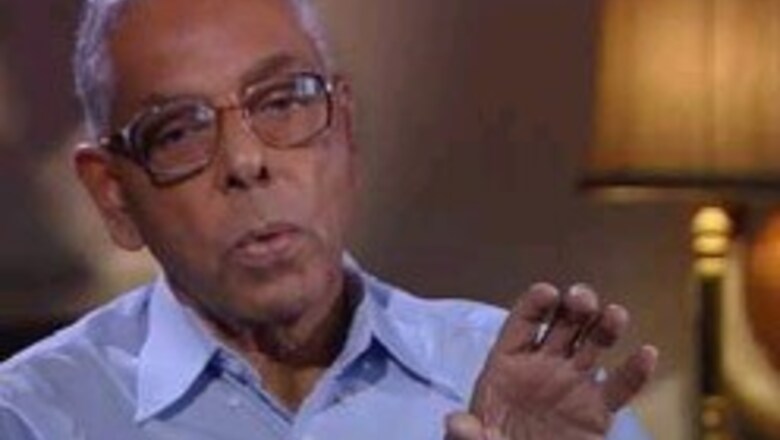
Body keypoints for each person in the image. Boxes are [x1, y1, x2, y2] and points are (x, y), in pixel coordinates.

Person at [0, 0, 659, 438]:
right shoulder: (33, 416)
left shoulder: (528, 388)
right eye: (178, 131)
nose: (247, 161)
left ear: (344, 126)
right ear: (114, 194)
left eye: (282, 100)